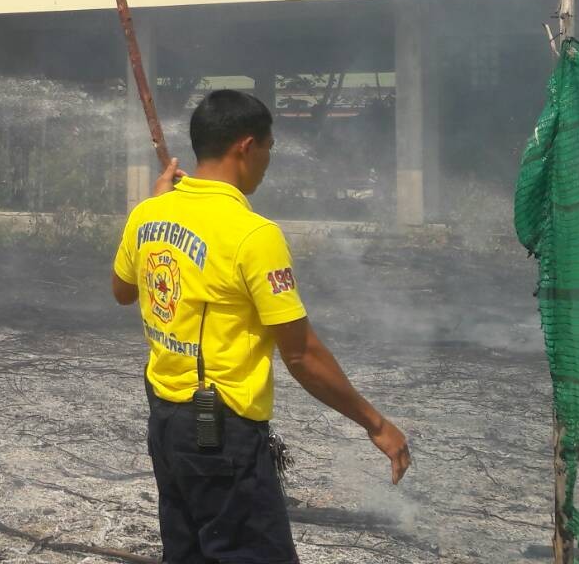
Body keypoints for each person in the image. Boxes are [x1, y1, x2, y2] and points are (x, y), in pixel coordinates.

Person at [113, 89, 410, 563]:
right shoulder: (254, 234)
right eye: (269, 147)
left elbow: (123, 290)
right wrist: (374, 423)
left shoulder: (148, 213)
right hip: (222, 433)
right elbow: (301, 354)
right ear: (246, 147)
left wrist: (155, 206)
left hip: (166, 423)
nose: (270, 160)